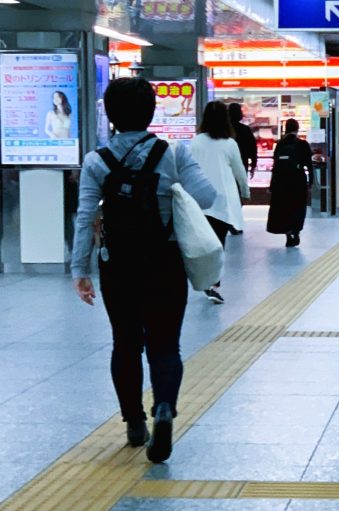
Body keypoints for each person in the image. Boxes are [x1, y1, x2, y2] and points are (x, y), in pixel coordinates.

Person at [71, 77, 217, 463]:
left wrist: (79, 270)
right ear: (151, 111)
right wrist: (171, 194)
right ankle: (165, 407)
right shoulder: (173, 153)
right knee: (165, 344)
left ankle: (134, 423)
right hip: (165, 264)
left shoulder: (95, 161)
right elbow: (207, 196)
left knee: (125, 343)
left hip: (117, 266)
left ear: (111, 116)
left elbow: (85, 218)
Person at [190, 100, 251, 304]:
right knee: (218, 243)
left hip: (199, 201)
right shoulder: (229, 144)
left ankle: (204, 280)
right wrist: (245, 190)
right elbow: (239, 170)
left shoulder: (196, 142)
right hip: (222, 203)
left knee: (203, 243)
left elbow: (188, 169)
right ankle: (213, 283)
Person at [267, 119, 313, 248]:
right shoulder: (302, 144)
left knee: (285, 206)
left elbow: (275, 165)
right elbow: (309, 165)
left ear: (285, 129)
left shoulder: (280, 144)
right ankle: (295, 230)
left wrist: (272, 185)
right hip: (298, 180)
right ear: (297, 129)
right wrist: (311, 182)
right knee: (298, 206)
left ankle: (288, 232)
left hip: (282, 181)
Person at [228, 102, 258, 177]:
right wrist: (253, 164)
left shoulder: (223, 130)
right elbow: (252, 148)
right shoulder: (245, 129)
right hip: (242, 162)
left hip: (227, 164)